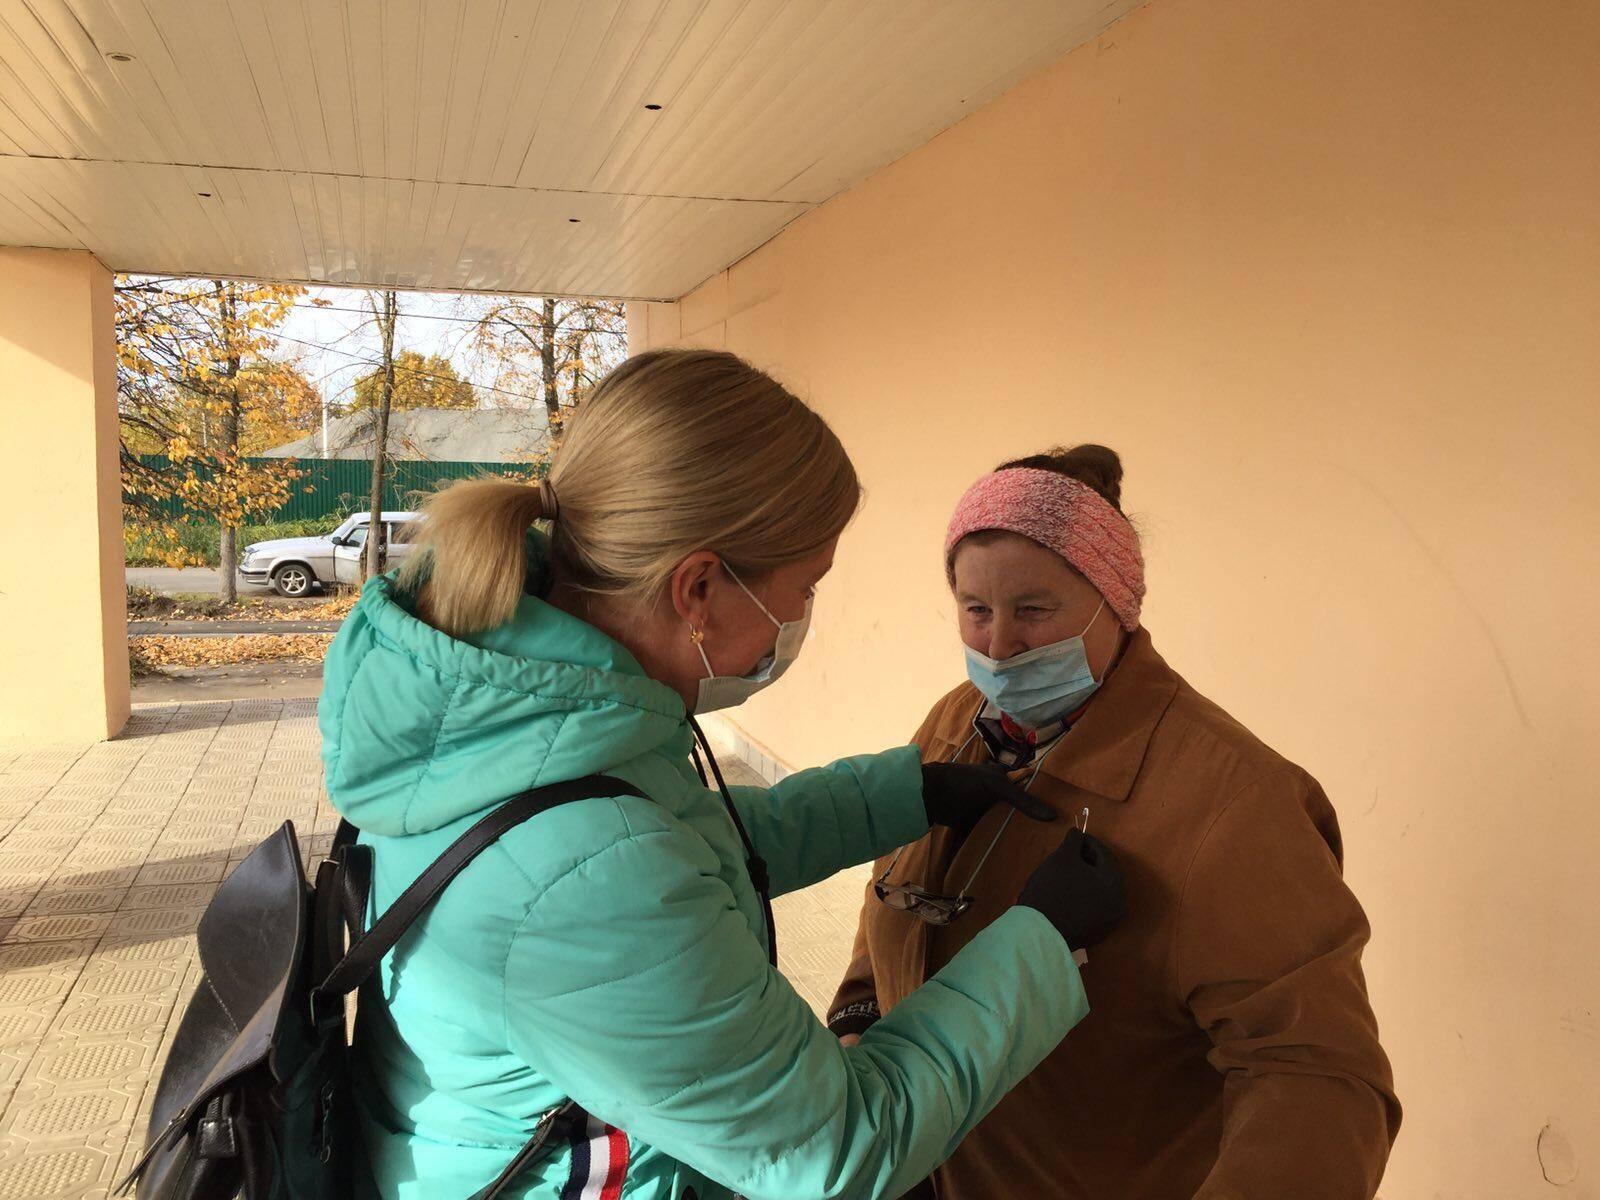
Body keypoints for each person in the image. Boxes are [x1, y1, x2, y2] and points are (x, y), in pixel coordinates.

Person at [317, 351, 1127, 1200]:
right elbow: (833, 1149)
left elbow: (680, 840)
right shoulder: (585, 875)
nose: (802, 620)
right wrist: (1039, 944)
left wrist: (904, 795)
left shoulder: (510, 697)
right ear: (698, 587)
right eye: (805, 590)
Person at [829, 445, 1401, 1199]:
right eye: (976, 610)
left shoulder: (1236, 803)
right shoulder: (955, 723)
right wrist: (860, 1014)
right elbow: (889, 897)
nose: (998, 646)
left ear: (1117, 605)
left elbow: (1316, 1077)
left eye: (1034, 610)